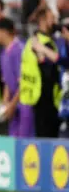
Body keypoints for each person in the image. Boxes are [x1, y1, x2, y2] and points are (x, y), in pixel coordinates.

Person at [22, 8, 61, 137]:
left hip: (34, 96)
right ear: (43, 21)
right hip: (47, 98)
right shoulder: (46, 44)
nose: (54, 22)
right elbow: (50, 73)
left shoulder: (30, 41)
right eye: (51, 18)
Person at [0, 17, 34, 137]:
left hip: (24, 102)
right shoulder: (3, 53)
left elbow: (24, 82)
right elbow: (6, 81)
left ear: (4, 32)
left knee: (24, 141)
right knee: (13, 139)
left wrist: (12, 105)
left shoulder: (20, 50)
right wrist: (6, 103)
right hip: (13, 104)